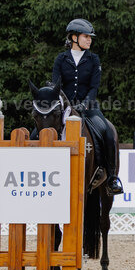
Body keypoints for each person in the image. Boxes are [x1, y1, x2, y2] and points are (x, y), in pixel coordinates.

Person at [52, 18, 123, 195]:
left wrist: (85, 103)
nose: (89, 40)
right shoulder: (61, 59)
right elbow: (56, 86)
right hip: (64, 107)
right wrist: (64, 104)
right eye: (86, 36)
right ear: (74, 37)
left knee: (107, 132)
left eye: (90, 37)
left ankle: (112, 178)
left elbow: (94, 87)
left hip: (89, 106)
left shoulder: (93, 59)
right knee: (40, 132)